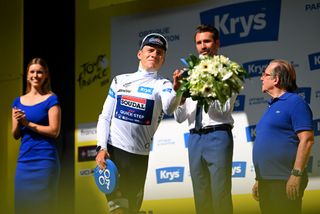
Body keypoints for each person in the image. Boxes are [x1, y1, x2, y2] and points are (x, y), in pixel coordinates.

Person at [95, 33, 182, 214]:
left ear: (163, 59)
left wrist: (177, 89)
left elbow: (169, 107)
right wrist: (101, 147)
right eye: (150, 50)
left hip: (139, 158)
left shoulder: (163, 84)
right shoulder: (120, 80)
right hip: (114, 153)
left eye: (159, 53)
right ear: (139, 54)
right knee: (118, 210)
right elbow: (104, 117)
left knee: (132, 210)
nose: (154, 55)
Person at [174, 24, 236, 214]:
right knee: (201, 199)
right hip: (194, 138)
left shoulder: (227, 72)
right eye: (199, 42)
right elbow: (179, 117)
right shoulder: (188, 74)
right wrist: (180, 93)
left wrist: (205, 86)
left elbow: (222, 109)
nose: (203, 46)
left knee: (220, 195)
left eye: (207, 41)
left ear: (217, 43)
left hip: (218, 135)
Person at [251, 59, 314, 214]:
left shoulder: (295, 103)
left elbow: (307, 140)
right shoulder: (272, 105)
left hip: (284, 179)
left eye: (265, 74)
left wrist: (296, 174)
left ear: (276, 79)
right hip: (267, 181)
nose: (261, 78)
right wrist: (260, 180)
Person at [11, 57, 61, 214]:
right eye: (32, 72)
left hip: (45, 162)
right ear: (27, 75)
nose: (35, 75)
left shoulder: (51, 99)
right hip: (24, 162)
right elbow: (15, 134)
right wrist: (19, 122)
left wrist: (28, 124)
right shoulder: (17, 102)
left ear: (46, 75)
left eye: (40, 72)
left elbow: (54, 131)